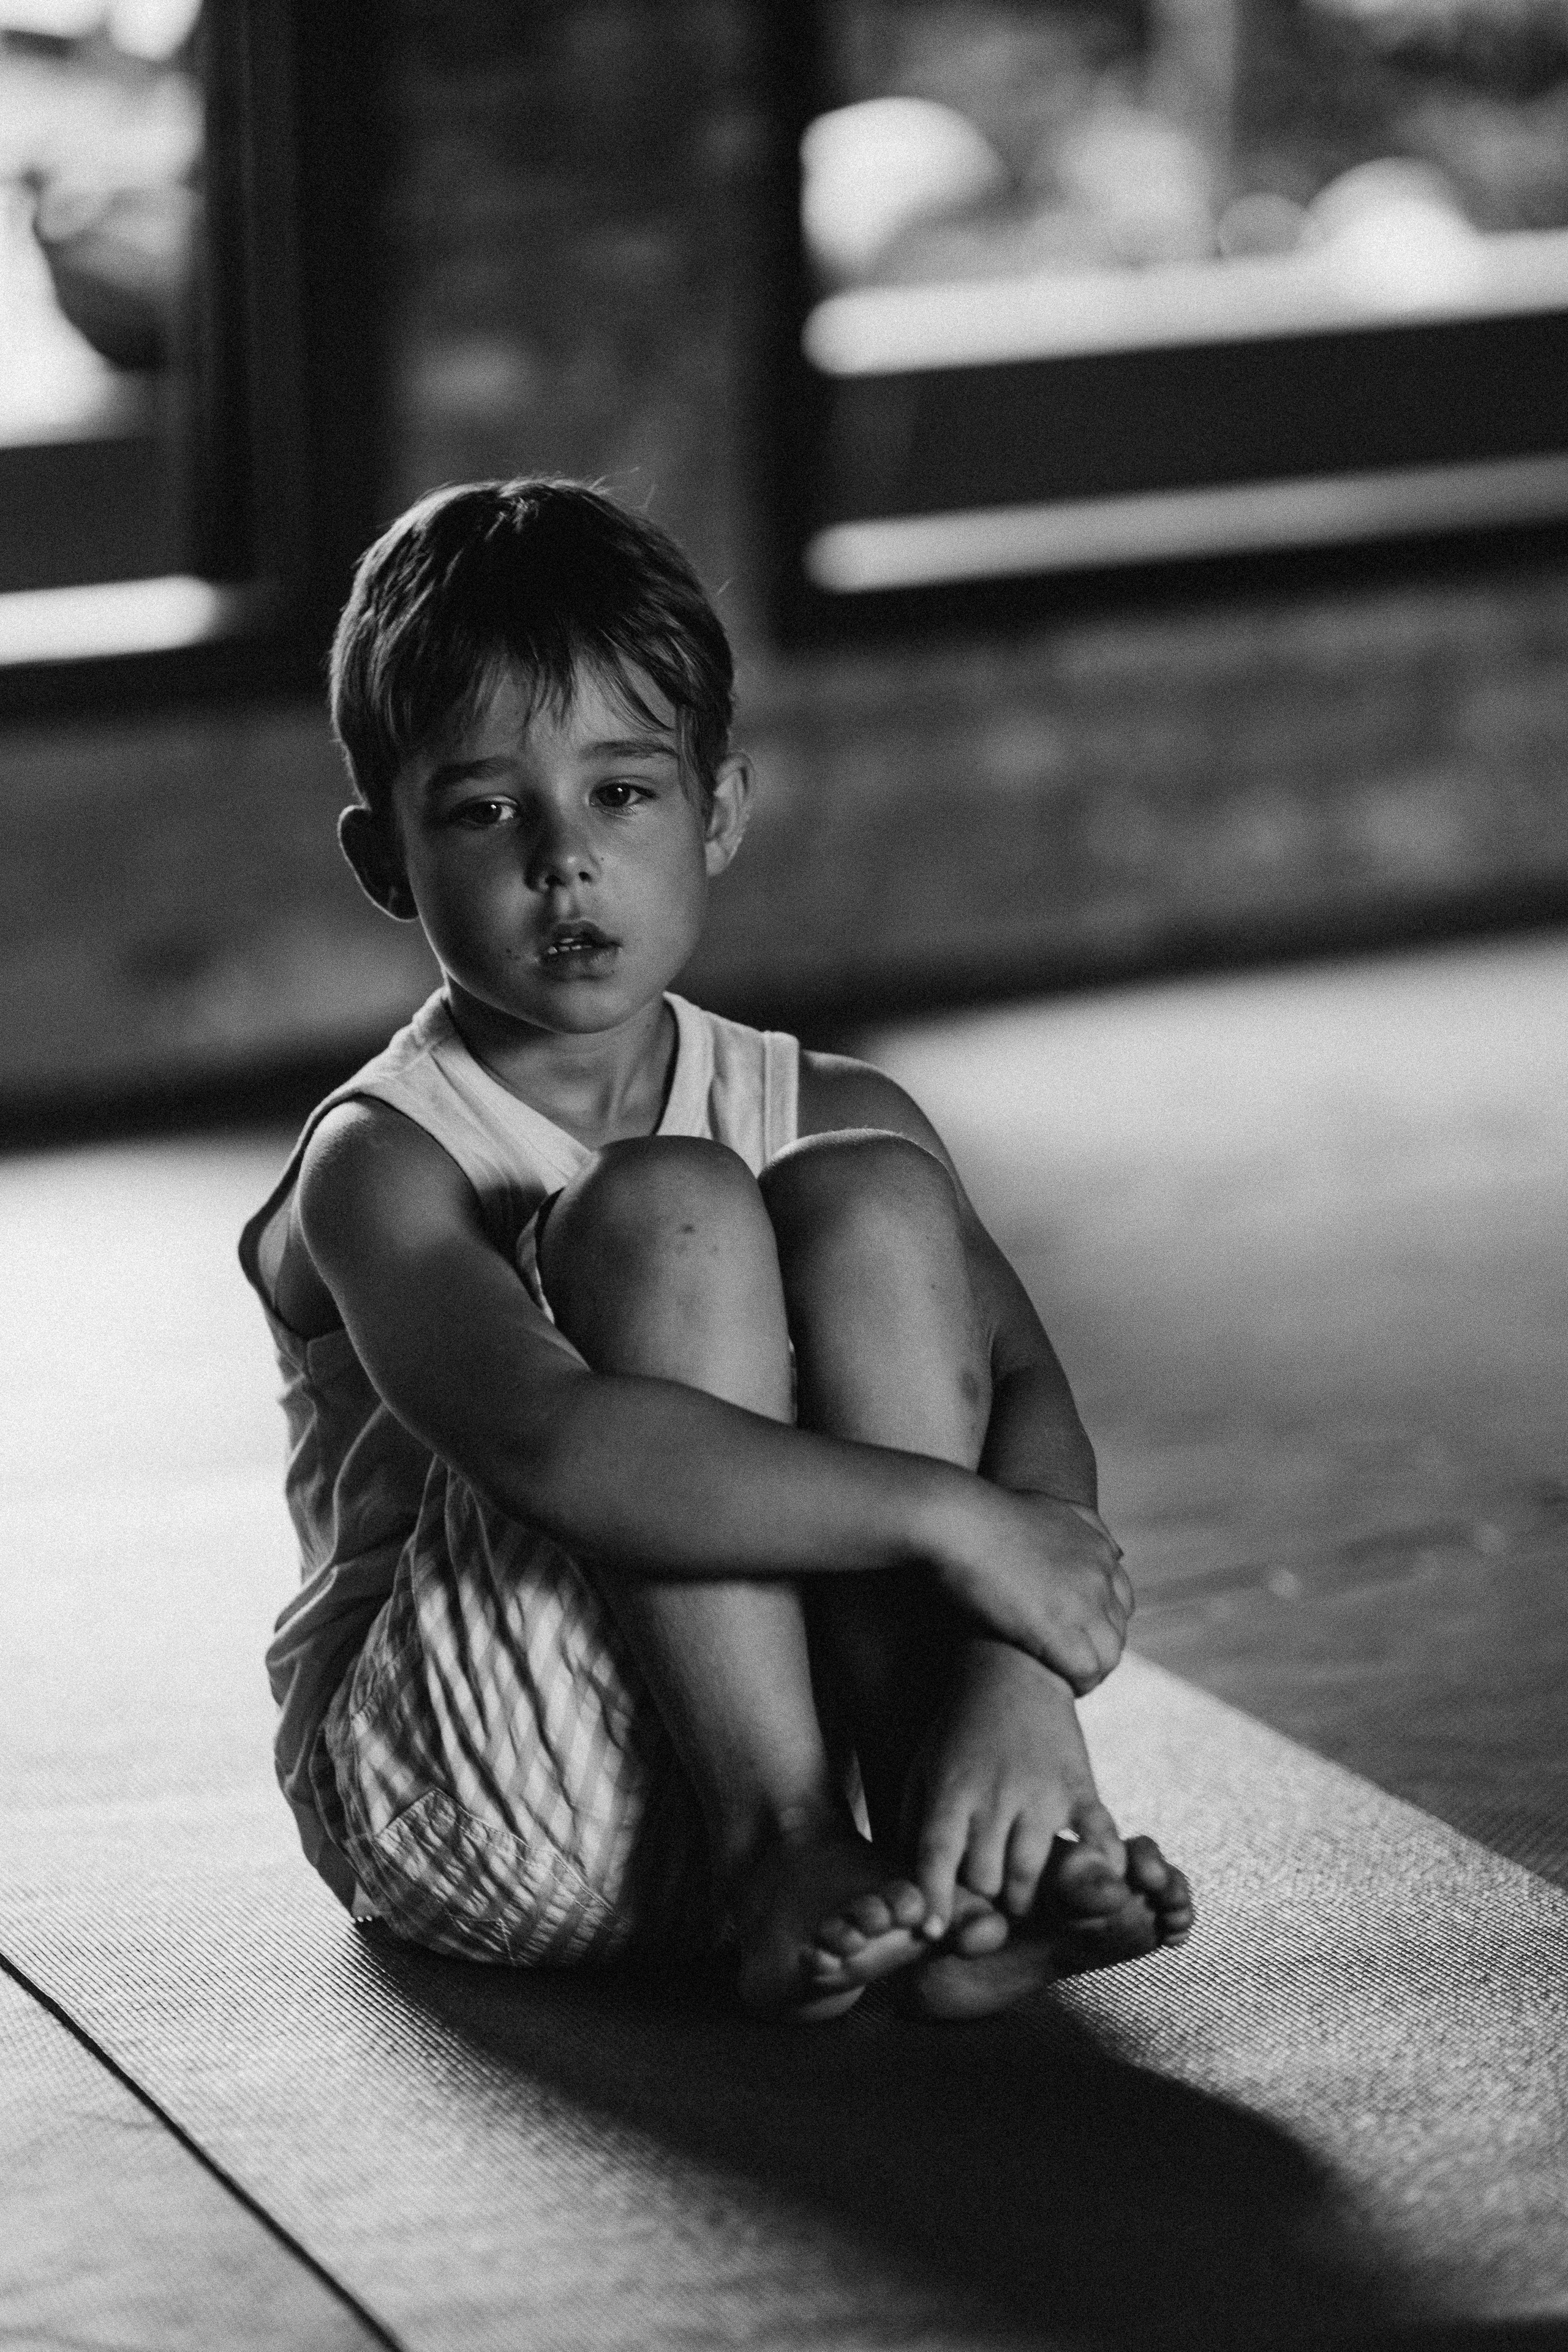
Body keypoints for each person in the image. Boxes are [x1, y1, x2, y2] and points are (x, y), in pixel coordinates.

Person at [239, 478, 1193, 2022]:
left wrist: (1011, 1678)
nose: (564, 861)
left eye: (622, 793)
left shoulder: (833, 1105)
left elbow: (1018, 1382)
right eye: (487, 812)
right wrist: (954, 1531)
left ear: (720, 811)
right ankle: (777, 1846)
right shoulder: (383, 1159)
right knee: (665, 1203)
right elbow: (553, 1445)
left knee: (876, 1193)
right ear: (381, 861)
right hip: (495, 1795)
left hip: (852, 1775)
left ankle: (965, 1857)